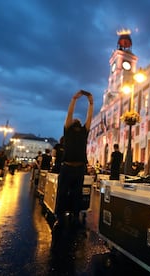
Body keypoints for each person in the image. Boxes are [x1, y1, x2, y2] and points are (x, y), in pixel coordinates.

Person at [53, 90, 93, 232]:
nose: (76, 120)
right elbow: (69, 114)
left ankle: (75, 217)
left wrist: (91, 103)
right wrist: (74, 99)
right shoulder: (68, 130)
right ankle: (59, 217)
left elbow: (89, 117)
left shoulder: (84, 131)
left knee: (77, 193)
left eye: (78, 120)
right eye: (74, 120)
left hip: (79, 168)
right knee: (62, 192)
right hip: (67, 167)